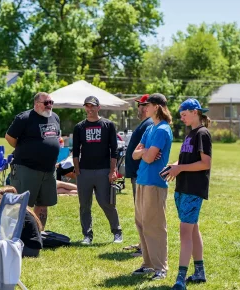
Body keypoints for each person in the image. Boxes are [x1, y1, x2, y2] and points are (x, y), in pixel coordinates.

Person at [163, 98, 212, 290]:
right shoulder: (190, 134)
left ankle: (180, 279)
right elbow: (185, 160)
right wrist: (173, 167)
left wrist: (180, 168)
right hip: (183, 188)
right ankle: (199, 272)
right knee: (192, 230)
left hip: (193, 189)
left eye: (184, 114)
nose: (181, 118)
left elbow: (205, 163)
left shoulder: (202, 134)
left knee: (185, 233)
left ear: (194, 112)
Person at [132, 93, 173, 280]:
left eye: (147, 105)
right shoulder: (150, 129)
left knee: (155, 225)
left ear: (156, 107)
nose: (143, 108)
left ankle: (161, 267)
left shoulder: (162, 130)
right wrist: (144, 152)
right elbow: (135, 154)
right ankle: (148, 264)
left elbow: (147, 157)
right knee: (141, 223)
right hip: (142, 180)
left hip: (154, 183)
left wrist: (144, 152)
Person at [5, 92, 60, 231]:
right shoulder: (24, 118)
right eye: (46, 103)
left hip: (48, 170)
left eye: (51, 102)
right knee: (22, 203)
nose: (50, 106)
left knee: (43, 203)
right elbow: (9, 137)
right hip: (26, 168)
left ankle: (37, 234)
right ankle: (17, 233)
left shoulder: (55, 118)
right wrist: (24, 149)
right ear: (36, 104)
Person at [73, 96, 122, 245]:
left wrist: (112, 171)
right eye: (87, 106)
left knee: (106, 202)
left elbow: (114, 150)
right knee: (84, 205)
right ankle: (87, 235)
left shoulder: (108, 125)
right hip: (84, 172)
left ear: (98, 107)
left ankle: (117, 232)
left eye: (92, 106)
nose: (90, 109)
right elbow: (75, 151)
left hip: (103, 170)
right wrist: (77, 170)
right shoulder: (79, 127)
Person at [123, 94, 154, 257]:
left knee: (143, 212)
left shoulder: (149, 124)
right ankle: (142, 243)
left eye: (141, 105)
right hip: (137, 174)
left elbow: (147, 151)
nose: (139, 108)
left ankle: (145, 248)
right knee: (140, 212)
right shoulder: (146, 124)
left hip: (141, 174)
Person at [0, 186, 43, 258]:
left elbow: (10, 234)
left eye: (1, 199)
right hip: (32, 248)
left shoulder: (17, 212)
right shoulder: (20, 208)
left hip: (29, 249)